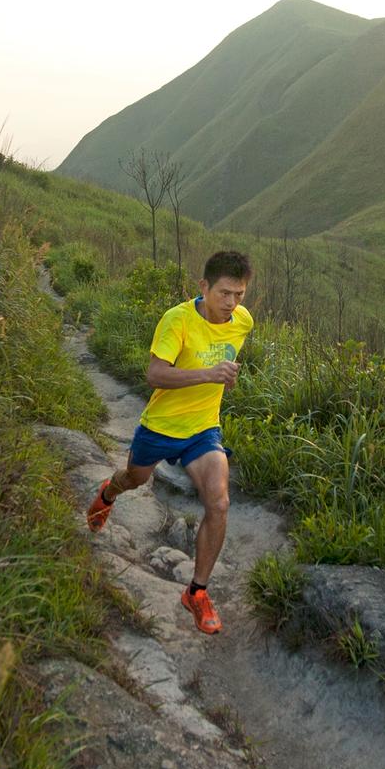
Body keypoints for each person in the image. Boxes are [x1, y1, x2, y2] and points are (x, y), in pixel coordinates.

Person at [86, 250, 254, 634]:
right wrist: (209, 373)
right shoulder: (177, 320)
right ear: (204, 287)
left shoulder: (242, 322)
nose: (231, 303)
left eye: (239, 295)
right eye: (224, 293)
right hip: (161, 427)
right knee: (135, 479)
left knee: (220, 500)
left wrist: (222, 377)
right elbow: (155, 374)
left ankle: (196, 592)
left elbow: (223, 358)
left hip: (202, 429)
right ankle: (109, 494)